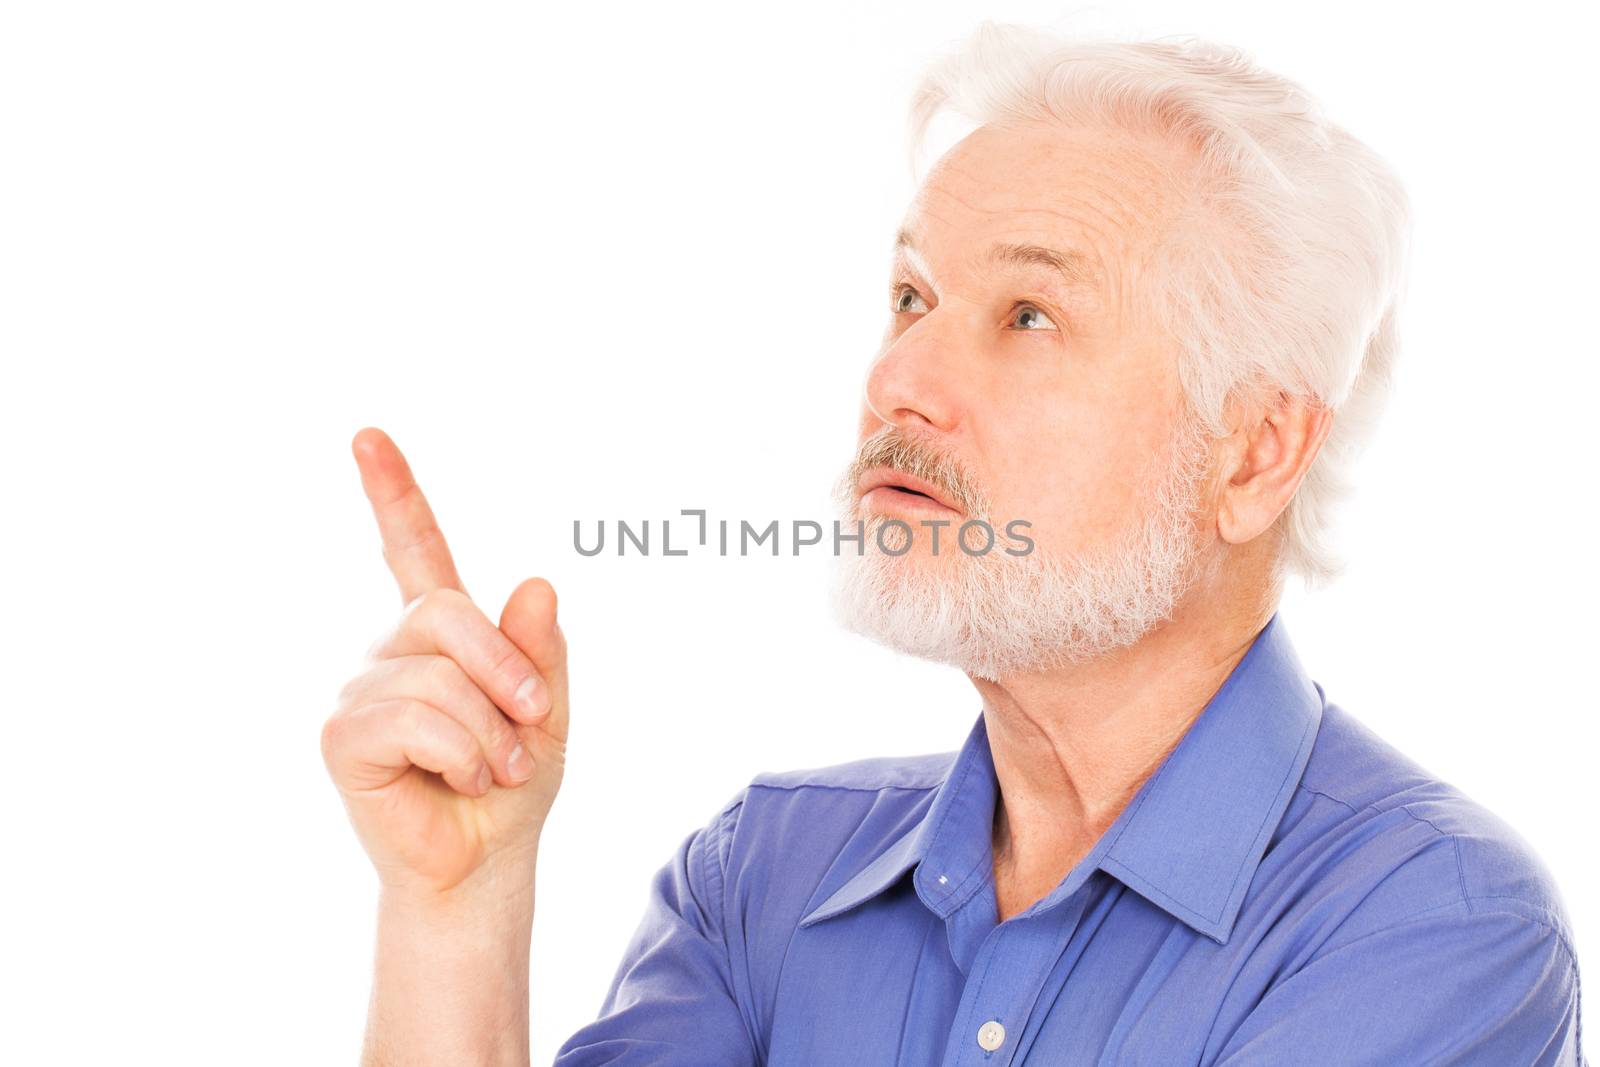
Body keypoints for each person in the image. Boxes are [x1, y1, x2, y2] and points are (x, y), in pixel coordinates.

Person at [319, 22, 1587, 1066]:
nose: (898, 377)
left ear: (1253, 452)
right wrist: (455, 912)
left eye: (1029, 312)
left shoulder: (1426, 929)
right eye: (910, 297)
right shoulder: (758, 877)